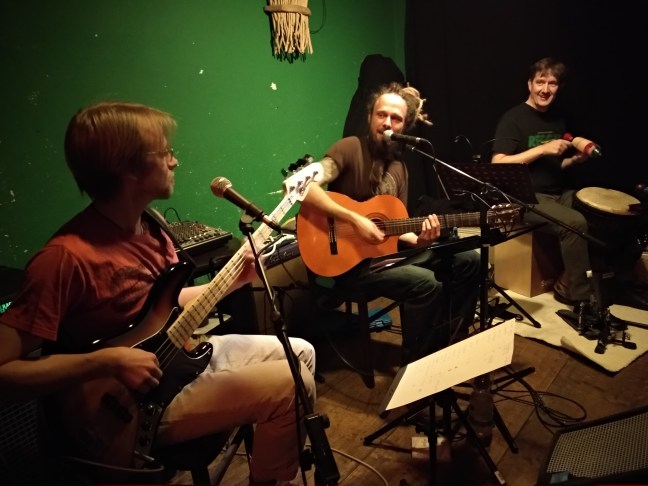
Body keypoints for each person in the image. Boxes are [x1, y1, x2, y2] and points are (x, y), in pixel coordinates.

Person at [0, 101, 316, 486]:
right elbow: (4, 374)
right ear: (128, 168)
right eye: (164, 152)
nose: (174, 161)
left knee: (302, 352)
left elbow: (164, 306)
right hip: (130, 407)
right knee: (293, 383)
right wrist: (106, 362)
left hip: (175, 361)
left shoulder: (152, 227)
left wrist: (234, 281)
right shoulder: (64, 259)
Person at [301, 82, 481, 369]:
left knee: (470, 260)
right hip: (349, 264)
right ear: (370, 117)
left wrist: (422, 240)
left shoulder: (400, 168)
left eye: (395, 118)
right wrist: (355, 219)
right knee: (426, 284)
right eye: (381, 114)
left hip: (383, 258)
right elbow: (304, 187)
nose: (387, 122)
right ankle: (416, 369)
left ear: (404, 127)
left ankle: (447, 343)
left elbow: (397, 227)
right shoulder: (349, 148)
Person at [491, 57, 595, 308]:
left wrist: (575, 160)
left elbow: (554, 167)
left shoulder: (558, 119)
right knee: (575, 222)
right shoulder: (513, 118)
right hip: (525, 198)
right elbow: (498, 164)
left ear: (559, 87)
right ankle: (582, 300)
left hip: (558, 193)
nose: (545, 89)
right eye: (540, 82)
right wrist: (542, 149)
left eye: (552, 83)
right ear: (530, 84)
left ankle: (567, 283)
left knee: (597, 211)